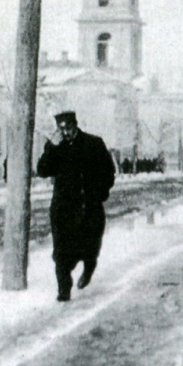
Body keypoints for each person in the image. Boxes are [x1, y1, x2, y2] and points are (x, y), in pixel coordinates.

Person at [36, 111, 116, 302]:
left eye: (69, 128)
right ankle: (64, 290)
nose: (66, 132)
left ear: (76, 125)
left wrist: (100, 193)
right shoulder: (56, 147)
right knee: (61, 252)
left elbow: (108, 171)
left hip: (89, 206)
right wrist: (51, 148)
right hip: (63, 209)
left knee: (89, 247)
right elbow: (42, 170)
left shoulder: (93, 143)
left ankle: (89, 269)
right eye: (61, 129)